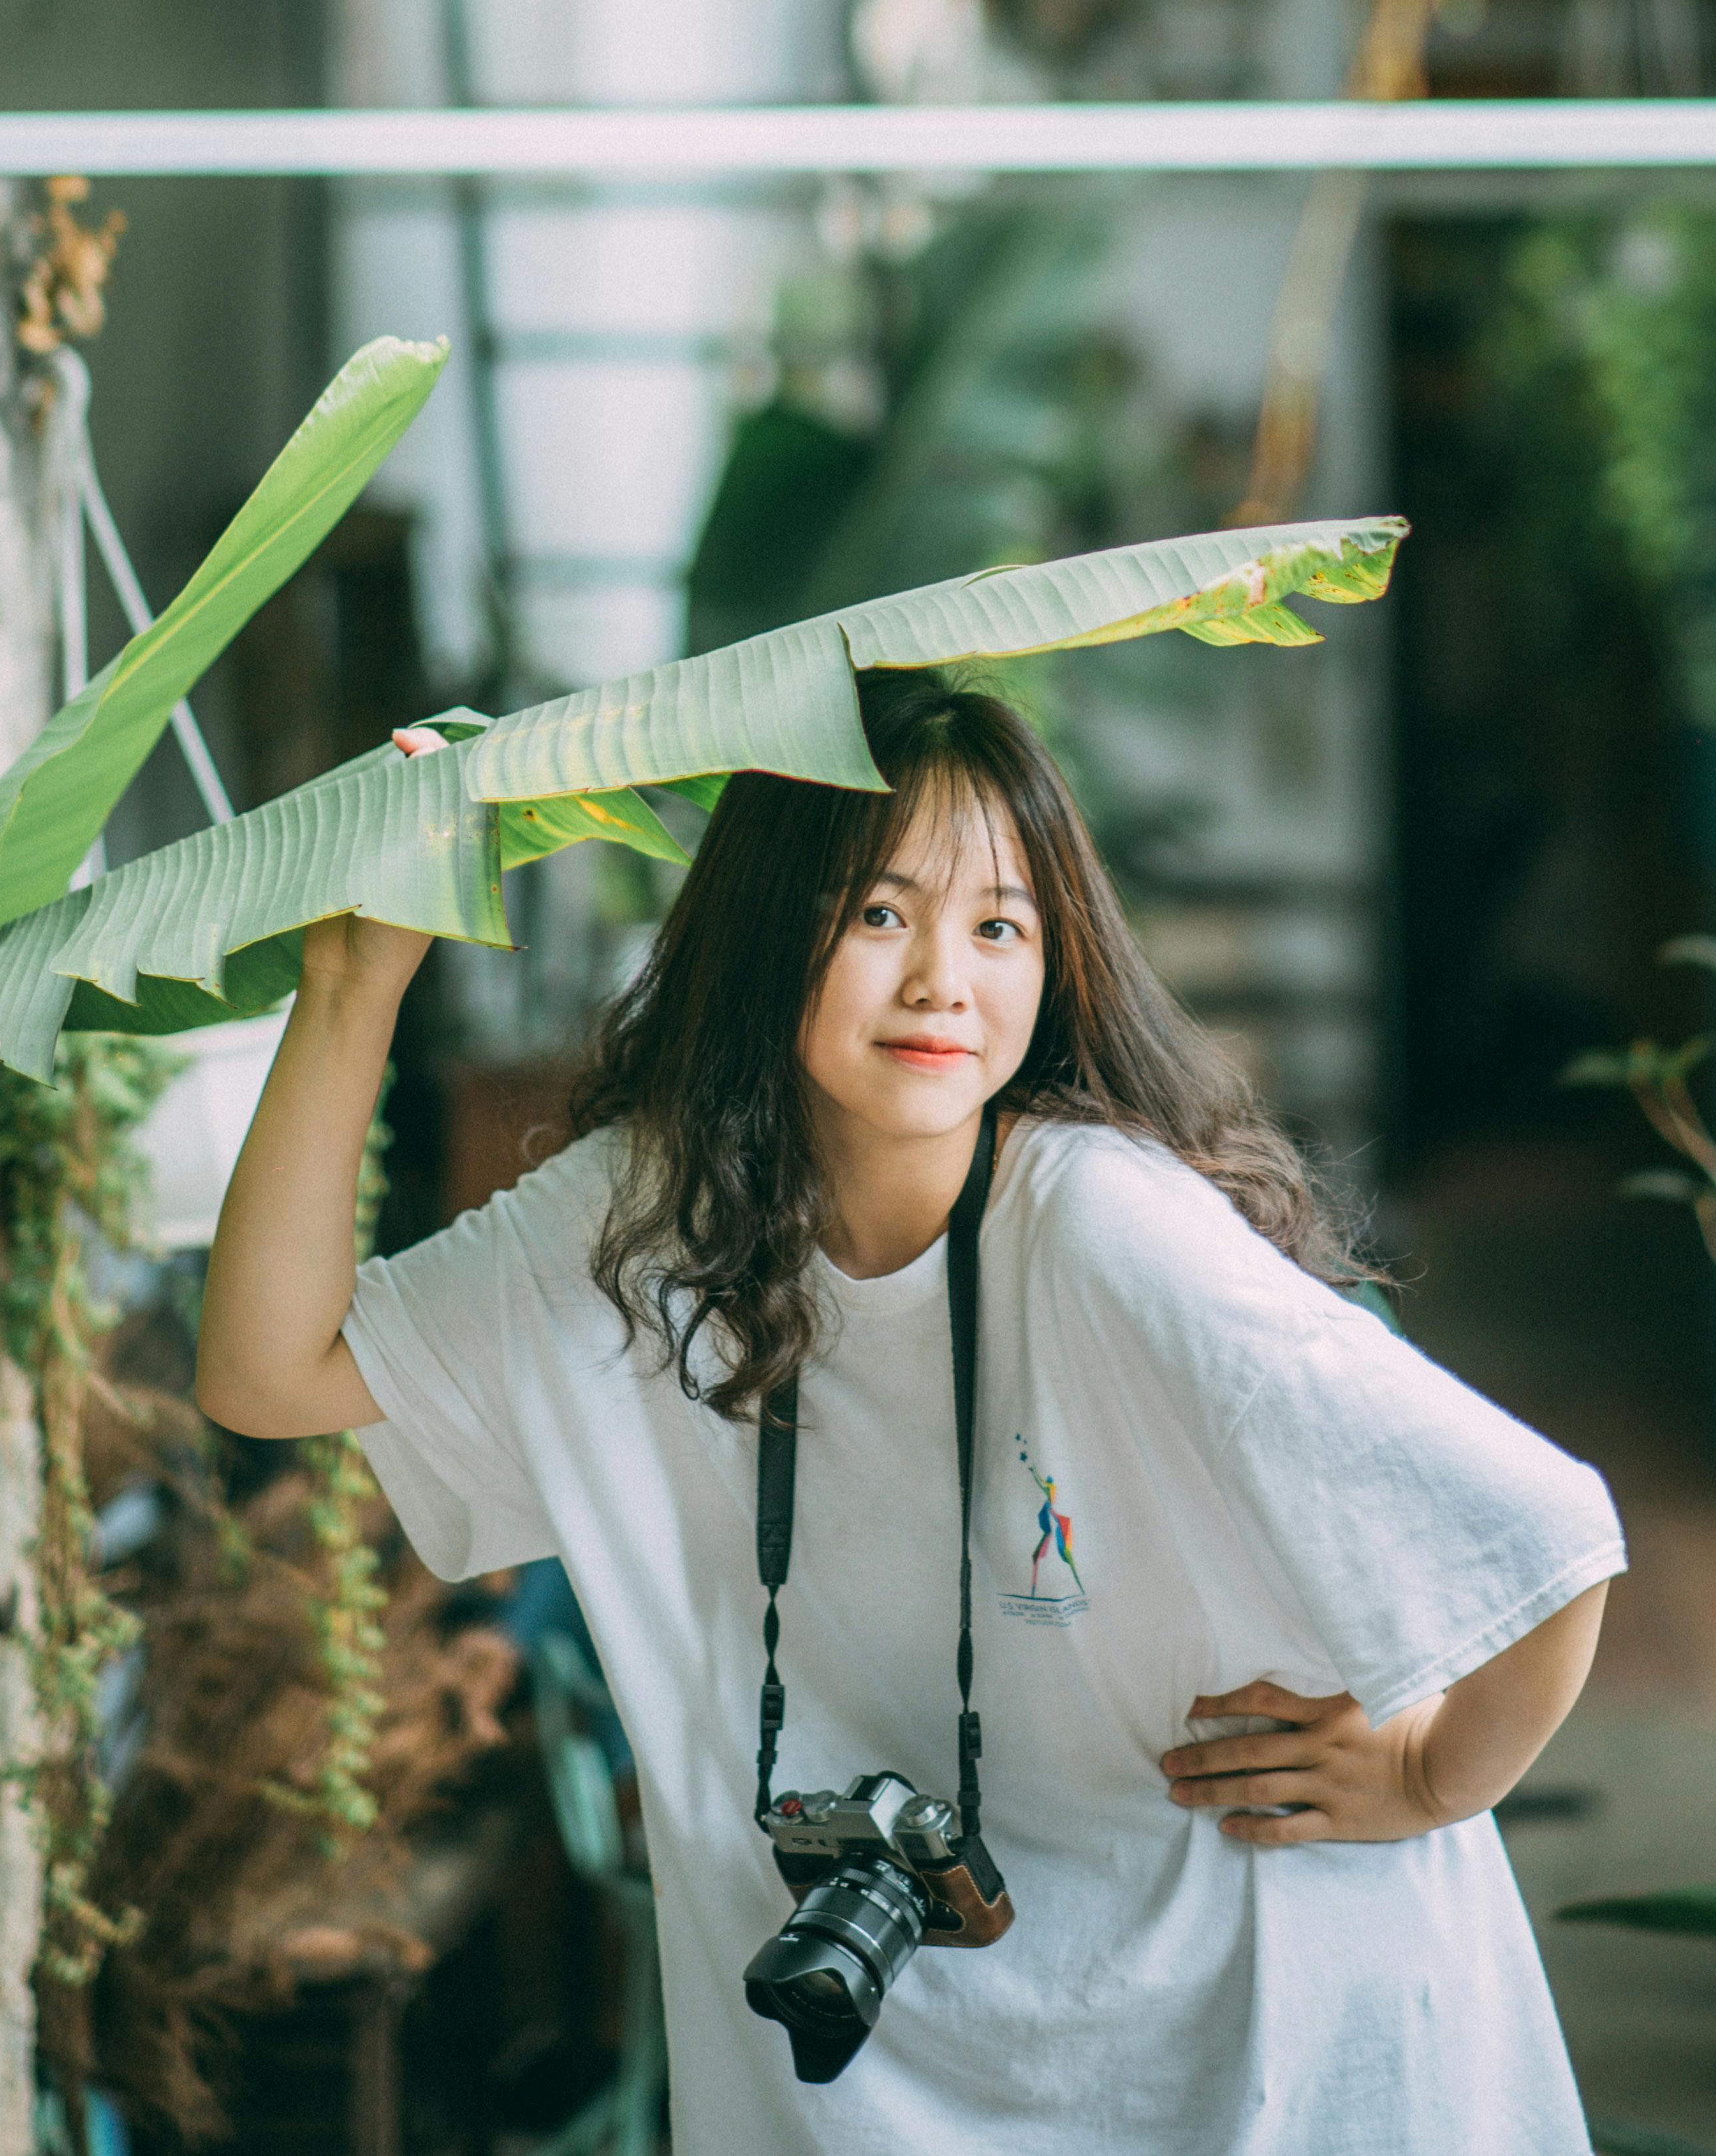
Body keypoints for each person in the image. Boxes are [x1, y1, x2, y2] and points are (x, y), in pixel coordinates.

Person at [197, 667, 1623, 2155]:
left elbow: (1547, 1533)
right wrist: (353, 990)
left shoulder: (1105, 1223)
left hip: (1259, 2043)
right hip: (885, 2061)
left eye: (999, 925)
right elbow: (266, 1372)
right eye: (880, 913)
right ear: (768, 928)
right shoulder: (648, 1209)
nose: (945, 978)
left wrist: (1431, 1772)